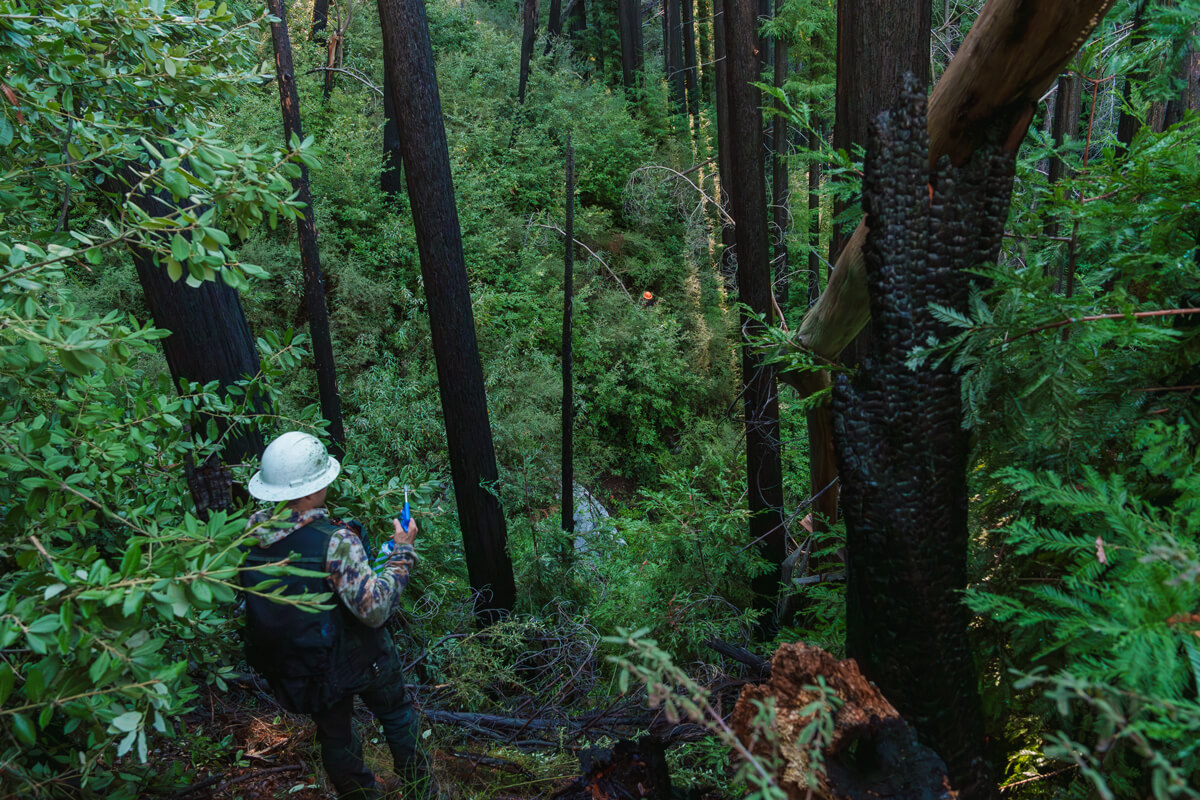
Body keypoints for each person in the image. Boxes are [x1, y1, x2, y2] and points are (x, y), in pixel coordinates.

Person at [239, 431, 433, 799]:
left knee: (335, 735)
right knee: (396, 714)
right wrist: (402, 554)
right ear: (312, 490)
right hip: (358, 654)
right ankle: (424, 792)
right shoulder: (336, 541)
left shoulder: (250, 534)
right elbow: (374, 610)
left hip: (304, 663)